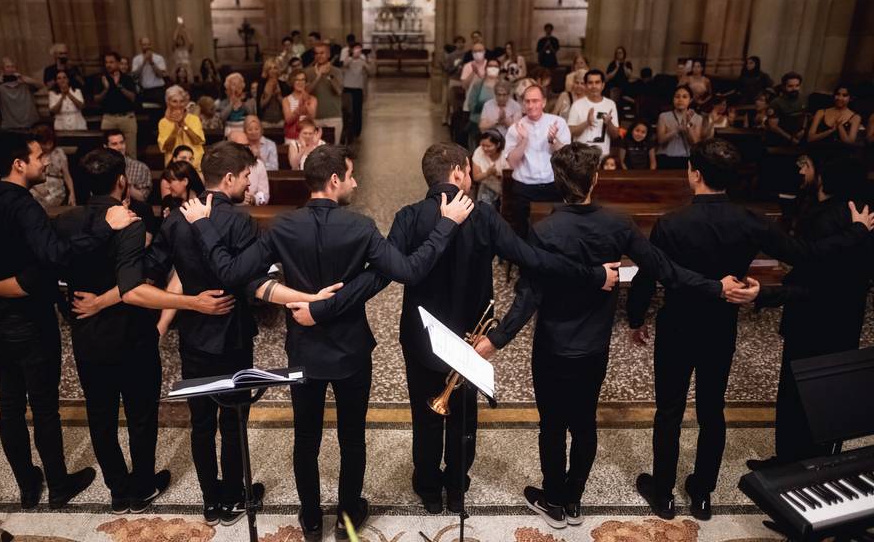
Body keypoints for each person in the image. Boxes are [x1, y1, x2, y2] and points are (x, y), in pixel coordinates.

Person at [296, 143, 619, 516]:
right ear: (459, 172)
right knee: (464, 415)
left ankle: (429, 487)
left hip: (421, 340)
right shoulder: (483, 216)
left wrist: (325, 307)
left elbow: (380, 277)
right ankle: (456, 487)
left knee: (425, 414)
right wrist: (593, 275)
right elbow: (535, 260)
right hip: (472, 341)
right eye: (467, 170)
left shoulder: (408, 217)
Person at [181, 144, 476, 540]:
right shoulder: (360, 227)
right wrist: (447, 224)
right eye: (351, 175)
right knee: (352, 438)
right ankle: (348, 516)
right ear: (335, 180)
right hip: (352, 351)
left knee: (306, 438)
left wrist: (203, 224)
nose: (355, 182)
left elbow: (230, 271)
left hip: (304, 349)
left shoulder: (283, 227)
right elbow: (410, 269)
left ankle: (310, 518)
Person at [476, 142, 752, 529]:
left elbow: (527, 298)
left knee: (552, 426)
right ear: (596, 178)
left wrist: (495, 340)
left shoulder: (545, 231)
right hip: (593, 347)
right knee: (585, 423)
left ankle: (554, 499)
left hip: (553, 346)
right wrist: (715, 288)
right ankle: (574, 500)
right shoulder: (618, 224)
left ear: (558, 181)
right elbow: (665, 271)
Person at [627, 138, 874, 521]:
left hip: (677, 325)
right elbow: (805, 254)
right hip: (721, 324)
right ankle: (703, 494)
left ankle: (662, 495)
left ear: (694, 173)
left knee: (669, 411)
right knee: (713, 410)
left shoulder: (671, 223)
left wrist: (636, 318)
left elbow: (648, 277)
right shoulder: (751, 221)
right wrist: (857, 233)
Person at [146, 141, 343, 526]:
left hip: (194, 335)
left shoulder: (175, 220)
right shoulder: (239, 221)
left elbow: (150, 272)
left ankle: (210, 500)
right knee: (233, 421)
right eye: (248, 176)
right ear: (231, 178)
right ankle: (236, 495)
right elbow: (253, 282)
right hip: (232, 334)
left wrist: (188, 301)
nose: (250, 184)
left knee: (200, 423)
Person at [0, 130, 139, 509]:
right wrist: (107, 226)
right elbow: (56, 257)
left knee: (8, 403)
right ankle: (57, 484)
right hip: (27, 321)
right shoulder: (25, 207)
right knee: (42, 406)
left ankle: (26, 484)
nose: (45, 162)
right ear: (18, 163)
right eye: (38, 157)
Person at [55, 148, 227, 514]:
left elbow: (53, 271)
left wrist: (77, 309)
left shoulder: (65, 221)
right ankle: (143, 485)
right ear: (121, 181)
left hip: (88, 335)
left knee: (99, 417)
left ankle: (118, 490)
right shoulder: (132, 222)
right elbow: (133, 284)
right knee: (140, 414)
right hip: (132, 335)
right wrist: (191, 302)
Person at [749, 157, 872, 468]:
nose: (800, 170)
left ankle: (796, 465)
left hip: (816, 319)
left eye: (807, 165)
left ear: (824, 173)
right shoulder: (854, 212)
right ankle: (804, 462)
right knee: (823, 394)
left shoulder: (832, 218)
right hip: (842, 319)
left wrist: (767, 294)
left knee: (801, 394)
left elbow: (813, 267)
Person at [504, 84, 571, 237]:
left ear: (544, 102)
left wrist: (553, 141)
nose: (531, 105)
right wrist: (524, 140)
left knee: (556, 229)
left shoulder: (558, 123)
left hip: (552, 185)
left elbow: (566, 158)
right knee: (521, 230)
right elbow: (512, 163)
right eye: (527, 101)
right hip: (524, 187)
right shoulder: (516, 127)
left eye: (535, 101)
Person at [567, 69, 620, 158]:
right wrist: (586, 123)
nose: (594, 86)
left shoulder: (610, 104)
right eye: (590, 83)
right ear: (586, 85)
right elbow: (571, 132)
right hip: (581, 156)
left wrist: (609, 123)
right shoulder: (577, 105)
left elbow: (615, 135)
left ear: (603, 85)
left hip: (603, 156)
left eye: (597, 82)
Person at [96, 52, 139, 159]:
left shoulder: (127, 78)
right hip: (109, 118)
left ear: (118, 63)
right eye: (106, 62)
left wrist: (119, 85)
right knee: (107, 154)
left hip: (126, 118)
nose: (108, 65)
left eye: (111, 62)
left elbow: (132, 97)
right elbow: (96, 99)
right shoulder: (102, 79)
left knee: (130, 153)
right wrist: (106, 88)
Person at [0, 58, 43, 131]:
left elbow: (41, 86)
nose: (11, 69)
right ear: (2, 70)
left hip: (31, 124)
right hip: (11, 127)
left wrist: (25, 79)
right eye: (8, 67)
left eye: (13, 67)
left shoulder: (25, 82)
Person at [655, 85, 704, 170]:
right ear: (673, 99)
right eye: (677, 97)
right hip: (666, 157)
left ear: (690, 100)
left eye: (684, 97)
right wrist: (677, 130)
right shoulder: (663, 116)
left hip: (687, 158)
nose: (680, 100)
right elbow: (660, 140)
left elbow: (696, 143)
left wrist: (689, 124)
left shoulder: (698, 118)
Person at [158, 85, 205, 170]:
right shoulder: (163, 122)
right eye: (174, 101)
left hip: (195, 166)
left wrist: (183, 125)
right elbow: (167, 148)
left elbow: (197, 140)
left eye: (181, 101)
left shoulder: (194, 119)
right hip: (174, 168)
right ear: (168, 103)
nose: (178, 105)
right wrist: (175, 130)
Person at [29, 124, 75, 209]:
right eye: (44, 143)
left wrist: (72, 193)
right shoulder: (32, 154)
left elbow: (67, 175)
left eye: (50, 142)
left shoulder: (58, 153)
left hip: (56, 191)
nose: (48, 146)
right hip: (36, 189)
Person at [305, 42, 344, 137]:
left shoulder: (337, 71)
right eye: (317, 53)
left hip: (333, 117)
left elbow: (339, 91)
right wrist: (319, 75)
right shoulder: (308, 72)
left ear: (328, 54)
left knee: (333, 150)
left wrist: (329, 76)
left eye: (322, 53)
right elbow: (306, 92)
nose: (319, 56)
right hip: (314, 118)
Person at [104, 129, 152, 203]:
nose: (119, 147)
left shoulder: (141, 168)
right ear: (105, 147)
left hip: (133, 209)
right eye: (114, 144)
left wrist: (125, 184)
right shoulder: (101, 168)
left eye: (122, 143)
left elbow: (143, 197)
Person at [464, 59, 502, 150]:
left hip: (497, 128)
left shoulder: (503, 86)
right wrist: (485, 107)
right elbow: (471, 105)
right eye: (490, 66)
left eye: (495, 66)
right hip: (477, 126)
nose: (493, 68)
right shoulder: (478, 85)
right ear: (486, 68)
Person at [766, 71, 809, 146]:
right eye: (790, 86)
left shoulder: (804, 99)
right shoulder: (775, 103)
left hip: (798, 137)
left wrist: (803, 129)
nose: (794, 89)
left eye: (797, 85)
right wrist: (790, 138)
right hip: (779, 140)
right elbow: (773, 126)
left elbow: (805, 115)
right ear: (784, 86)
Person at [342, 43, 372, 143]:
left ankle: (357, 131)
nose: (357, 51)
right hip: (348, 87)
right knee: (348, 111)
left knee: (357, 110)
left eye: (359, 49)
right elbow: (344, 65)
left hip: (358, 88)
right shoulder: (348, 58)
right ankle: (347, 131)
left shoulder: (362, 59)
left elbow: (369, 71)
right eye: (356, 49)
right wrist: (351, 58)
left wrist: (363, 62)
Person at [471, 129, 508, 207]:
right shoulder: (479, 151)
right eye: (483, 145)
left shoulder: (506, 153)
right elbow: (476, 177)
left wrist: (497, 175)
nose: (485, 148)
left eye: (489, 146)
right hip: (487, 185)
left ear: (497, 145)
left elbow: (510, 177)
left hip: (504, 187)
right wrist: (488, 173)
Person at [132, 37, 169, 105]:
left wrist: (151, 62)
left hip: (158, 90)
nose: (147, 47)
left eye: (148, 44)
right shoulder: (136, 59)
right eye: (144, 45)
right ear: (140, 46)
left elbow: (161, 75)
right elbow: (135, 76)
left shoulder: (159, 58)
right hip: (144, 91)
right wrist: (143, 62)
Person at [282, 70, 317, 142]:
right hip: (292, 137)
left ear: (306, 82)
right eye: (297, 80)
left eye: (302, 80)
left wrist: (306, 102)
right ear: (292, 82)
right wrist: (299, 109)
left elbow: (312, 118)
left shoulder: (312, 99)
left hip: (308, 137)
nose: (300, 82)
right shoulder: (286, 100)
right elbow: (288, 120)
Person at [217, 72, 255, 138]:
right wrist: (232, 103)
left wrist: (241, 101)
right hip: (229, 134)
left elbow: (252, 115)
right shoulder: (224, 103)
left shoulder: (248, 101)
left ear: (242, 86)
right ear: (228, 88)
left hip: (246, 133)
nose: (237, 87)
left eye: (239, 84)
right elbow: (222, 118)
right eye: (234, 84)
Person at [259, 58, 290, 126]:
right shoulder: (262, 85)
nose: (273, 70)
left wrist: (278, 96)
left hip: (281, 121)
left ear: (277, 70)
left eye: (275, 68)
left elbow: (287, 106)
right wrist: (269, 95)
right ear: (267, 70)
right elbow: (260, 105)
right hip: (265, 121)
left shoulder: (283, 85)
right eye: (270, 68)